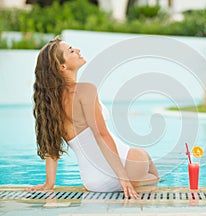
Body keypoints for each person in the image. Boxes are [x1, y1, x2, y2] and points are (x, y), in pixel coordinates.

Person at [27, 37, 159, 198]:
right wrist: (123, 177)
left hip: (93, 183)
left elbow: (51, 148)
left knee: (147, 178)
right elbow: (101, 134)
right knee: (146, 162)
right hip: (125, 167)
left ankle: (140, 184)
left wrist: (49, 184)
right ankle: (142, 183)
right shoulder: (85, 90)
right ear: (62, 66)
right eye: (71, 51)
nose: (78, 51)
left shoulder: (50, 105)